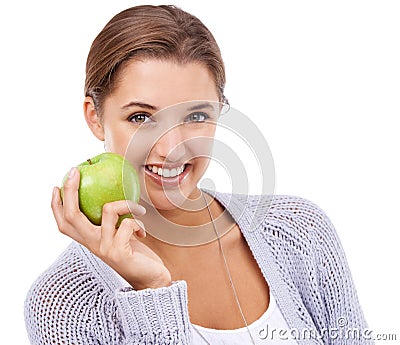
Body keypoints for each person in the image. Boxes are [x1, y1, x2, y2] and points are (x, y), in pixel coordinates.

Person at [24, 5, 372, 345]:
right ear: (95, 117)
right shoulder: (62, 303)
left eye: (195, 117)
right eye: (141, 117)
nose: (171, 147)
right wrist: (152, 292)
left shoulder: (300, 232)